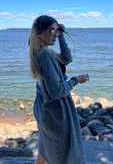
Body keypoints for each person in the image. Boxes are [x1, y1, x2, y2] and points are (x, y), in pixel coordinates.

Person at [28, 15, 90, 164]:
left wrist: (61, 36)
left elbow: (67, 59)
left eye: (56, 30)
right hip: (55, 114)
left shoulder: (45, 52)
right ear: (38, 33)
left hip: (45, 109)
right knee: (63, 156)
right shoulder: (45, 56)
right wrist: (76, 80)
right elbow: (55, 92)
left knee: (46, 149)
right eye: (51, 30)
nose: (54, 34)